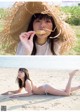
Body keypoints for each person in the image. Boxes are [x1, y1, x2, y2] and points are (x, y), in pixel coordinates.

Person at [0, 2, 76, 55]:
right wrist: (27, 50)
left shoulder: (57, 43)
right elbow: (20, 67)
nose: (42, 25)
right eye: (38, 21)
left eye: (47, 21)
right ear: (32, 25)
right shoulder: (23, 43)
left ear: (53, 26)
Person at [1, 68, 80, 98]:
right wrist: (10, 92)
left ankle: (71, 76)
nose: (19, 73)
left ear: (25, 74)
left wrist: (17, 96)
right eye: (19, 72)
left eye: (21, 72)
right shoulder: (21, 81)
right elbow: (19, 91)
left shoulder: (27, 81)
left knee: (66, 93)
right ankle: (78, 87)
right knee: (63, 90)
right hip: (44, 88)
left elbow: (29, 93)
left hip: (46, 89)